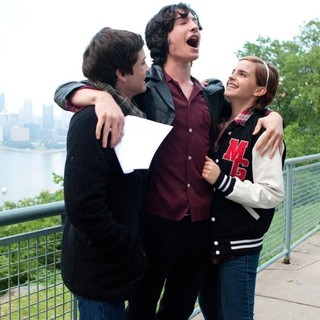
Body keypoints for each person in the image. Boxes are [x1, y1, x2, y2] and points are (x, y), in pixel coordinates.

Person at [54, 4, 284, 320]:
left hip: (201, 227)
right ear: (164, 37)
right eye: (184, 22)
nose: (195, 28)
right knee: (142, 309)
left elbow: (249, 108)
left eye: (197, 23)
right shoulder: (144, 86)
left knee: (180, 308)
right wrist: (97, 96)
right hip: (155, 223)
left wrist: (274, 117)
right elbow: (69, 88)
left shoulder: (212, 94)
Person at [60, 27, 149, 320]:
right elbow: (83, 204)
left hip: (117, 272)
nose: (147, 68)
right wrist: (123, 245)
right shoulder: (90, 120)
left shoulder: (130, 113)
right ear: (122, 73)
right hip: (99, 272)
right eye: (142, 63)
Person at [199, 56, 286, 320]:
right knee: (211, 313)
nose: (233, 76)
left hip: (240, 245)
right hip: (207, 242)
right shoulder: (217, 120)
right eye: (233, 71)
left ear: (259, 90)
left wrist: (222, 181)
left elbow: (273, 193)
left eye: (243, 74)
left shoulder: (263, 131)